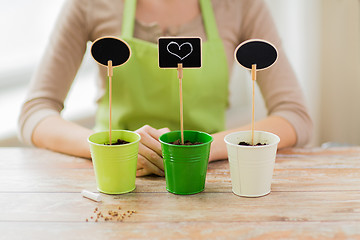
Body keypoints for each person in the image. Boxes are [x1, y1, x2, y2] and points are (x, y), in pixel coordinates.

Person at [18, 0, 312, 177]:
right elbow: (35, 112)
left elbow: (295, 116)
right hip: (112, 179)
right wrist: (113, 148)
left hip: (209, 183)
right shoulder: (90, 4)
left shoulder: (240, 5)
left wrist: (202, 149)